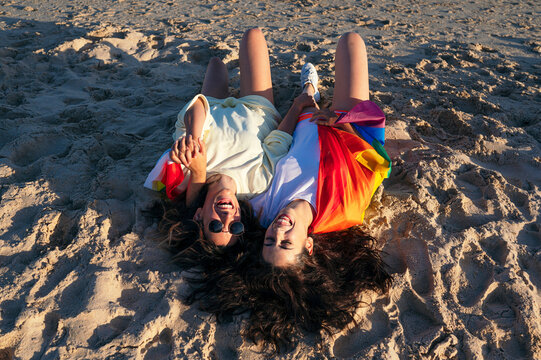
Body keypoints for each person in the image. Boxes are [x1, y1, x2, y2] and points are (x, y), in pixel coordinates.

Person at [180, 32, 393, 352]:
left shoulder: (261, 207)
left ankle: (309, 90)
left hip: (305, 118)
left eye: (269, 240)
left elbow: (205, 196)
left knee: (287, 72)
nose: (278, 230)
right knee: (352, 42)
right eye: (286, 242)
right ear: (308, 246)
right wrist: (341, 122)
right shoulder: (344, 210)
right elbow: (376, 164)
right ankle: (314, 90)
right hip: (348, 130)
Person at [144, 28, 316, 248]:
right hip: (258, 107)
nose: (227, 218)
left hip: (211, 104)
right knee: (253, 35)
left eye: (215, 226)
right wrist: (298, 105)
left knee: (216, 64)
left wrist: (192, 137)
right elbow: (278, 140)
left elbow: (196, 106)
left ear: (198, 217)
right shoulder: (257, 186)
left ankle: (220, 74)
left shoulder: (187, 168)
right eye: (235, 227)